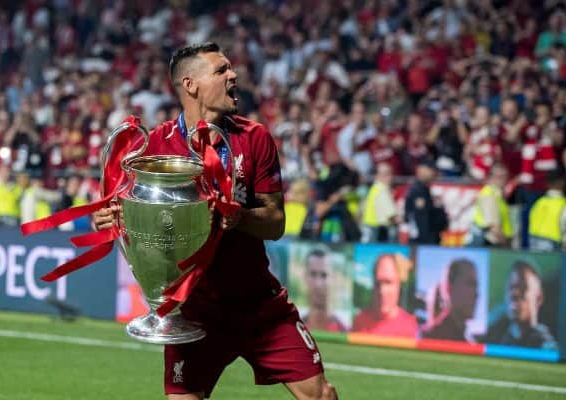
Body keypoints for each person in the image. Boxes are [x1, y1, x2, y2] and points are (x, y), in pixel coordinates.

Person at [93, 43, 336, 400]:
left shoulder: (255, 139)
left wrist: (235, 217)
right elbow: (135, 215)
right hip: (195, 309)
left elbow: (275, 222)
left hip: (258, 302)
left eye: (230, 68)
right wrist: (112, 218)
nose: (233, 75)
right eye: (221, 70)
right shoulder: (155, 147)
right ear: (191, 85)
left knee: (320, 395)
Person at [485, 261, 558, 349]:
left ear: (539, 298)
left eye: (523, 288)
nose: (514, 294)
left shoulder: (545, 345)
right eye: (511, 287)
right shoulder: (500, 339)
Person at [352, 254, 418, 337]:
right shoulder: (359, 321)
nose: (382, 291)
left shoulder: (411, 326)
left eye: (388, 282)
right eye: (378, 283)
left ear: (399, 285)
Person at [421, 259, 478, 342]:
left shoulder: (467, 341)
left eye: (476, 286)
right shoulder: (429, 336)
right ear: (449, 287)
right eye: (470, 284)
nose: (476, 294)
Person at [301, 247, 347, 332]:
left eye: (324, 275)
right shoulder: (294, 329)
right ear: (305, 276)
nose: (318, 284)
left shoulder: (343, 331)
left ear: (333, 278)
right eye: (313, 274)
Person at [467, 164, 513, 247]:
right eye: (499, 177)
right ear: (490, 177)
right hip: (492, 243)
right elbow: (494, 227)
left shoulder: (498, 195)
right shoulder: (490, 195)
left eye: (505, 176)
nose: (503, 180)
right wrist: (506, 245)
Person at [404, 161, 448, 244]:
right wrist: (426, 238)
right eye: (431, 170)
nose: (433, 173)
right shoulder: (418, 189)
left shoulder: (424, 188)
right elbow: (421, 215)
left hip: (426, 236)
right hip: (423, 239)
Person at [359, 162, 399, 243]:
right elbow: (391, 215)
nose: (390, 177)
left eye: (390, 173)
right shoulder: (382, 190)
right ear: (377, 176)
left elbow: (360, 211)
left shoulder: (373, 189)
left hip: (368, 229)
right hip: (378, 232)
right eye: (386, 174)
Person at [528, 170, 566, 251]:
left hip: (534, 241)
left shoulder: (539, 202)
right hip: (553, 244)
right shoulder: (563, 203)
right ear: (562, 182)